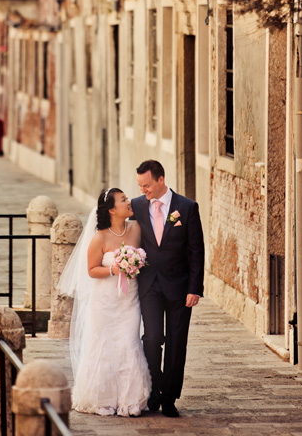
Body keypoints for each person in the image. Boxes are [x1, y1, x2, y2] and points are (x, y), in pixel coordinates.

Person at [58, 188, 151, 417]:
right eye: (123, 200)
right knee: (104, 345)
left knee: (129, 343)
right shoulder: (99, 237)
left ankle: (129, 399)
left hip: (129, 300)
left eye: (127, 198)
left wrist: (135, 263)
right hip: (105, 302)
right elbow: (91, 270)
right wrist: (114, 268)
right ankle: (102, 398)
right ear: (111, 209)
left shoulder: (136, 229)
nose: (129, 202)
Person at [131, 159, 205, 418]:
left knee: (176, 343)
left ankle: (170, 397)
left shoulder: (187, 207)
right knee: (152, 339)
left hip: (180, 286)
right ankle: (154, 388)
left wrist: (195, 288)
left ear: (161, 180)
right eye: (140, 185)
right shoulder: (137, 206)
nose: (144, 190)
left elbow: (196, 251)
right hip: (149, 284)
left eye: (147, 185)